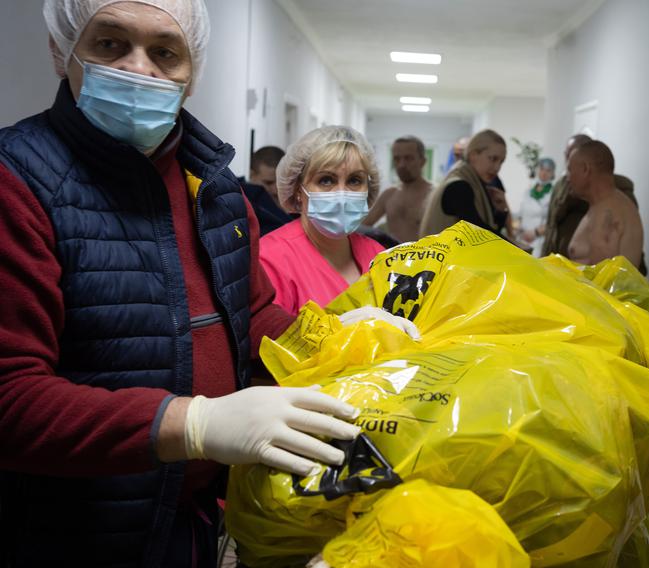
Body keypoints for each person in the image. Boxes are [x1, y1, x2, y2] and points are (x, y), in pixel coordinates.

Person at [0, 2, 383, 565]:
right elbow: (11, 398)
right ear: (64, 51)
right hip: (69, 533)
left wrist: (330, 336)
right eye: (110, 45)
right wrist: (195, 423)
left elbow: (249, 317)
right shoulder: (19, 183)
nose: (140, 69)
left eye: (164, 52)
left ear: (191, 70)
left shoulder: (216, 190)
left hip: (193, 523)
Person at [260, 125, 386, 312]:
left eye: (354, 180)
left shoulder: (377, 255)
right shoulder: (271, 257)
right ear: (297, 191)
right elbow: (271, 337)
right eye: (326, 180)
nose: (342, 195)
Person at [565, 140, 643, 268]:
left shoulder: (607, 213)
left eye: (569, 170)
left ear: (585, 169)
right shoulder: (602, 205)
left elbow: (599, 280)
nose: (567, 178)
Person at [420, 129, 510, 237]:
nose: (497, 167)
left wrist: (500, 211)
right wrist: (519, 250)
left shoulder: (469, 181)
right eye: (493, 159)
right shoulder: (459, 187)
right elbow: (481, 236)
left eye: (501, 161)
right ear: (473, 155)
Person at [362, 135, 432, 243]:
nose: (402, 165)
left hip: (427, 258)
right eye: (397, 159)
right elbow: (362, 226)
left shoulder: (433, 195)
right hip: (394, 258)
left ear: (422, 161)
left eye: (408, 158)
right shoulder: (389, 195)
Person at [242, 145, 293, 235]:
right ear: (252, 174)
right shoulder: (237, 202)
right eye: (268, 183)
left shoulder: (294, 204)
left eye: (281, 183)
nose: (275, 190)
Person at [516, 157, 556, 256]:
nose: (544, 173)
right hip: (521, 236)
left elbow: (553, 221)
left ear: (552, 174)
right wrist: (518, 229)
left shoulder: (553, 193)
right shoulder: (529, 190)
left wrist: (535, 233)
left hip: (538, 240)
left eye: (548, 170)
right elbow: (521, 213)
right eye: (542, 169)